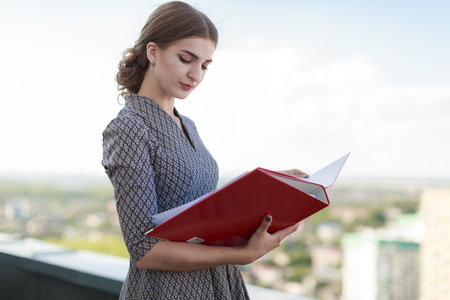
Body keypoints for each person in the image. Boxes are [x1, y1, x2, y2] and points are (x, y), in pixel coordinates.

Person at [102, 2, 304, 299]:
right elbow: (143, 251)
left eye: (205, 65)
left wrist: (263, 184)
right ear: (153, 52)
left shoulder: (187, 124)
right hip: (167, 291)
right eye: (187, 59)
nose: (196, 74)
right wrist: (241, 256)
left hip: (218, 283)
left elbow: (196, 204)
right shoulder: (130, 128)